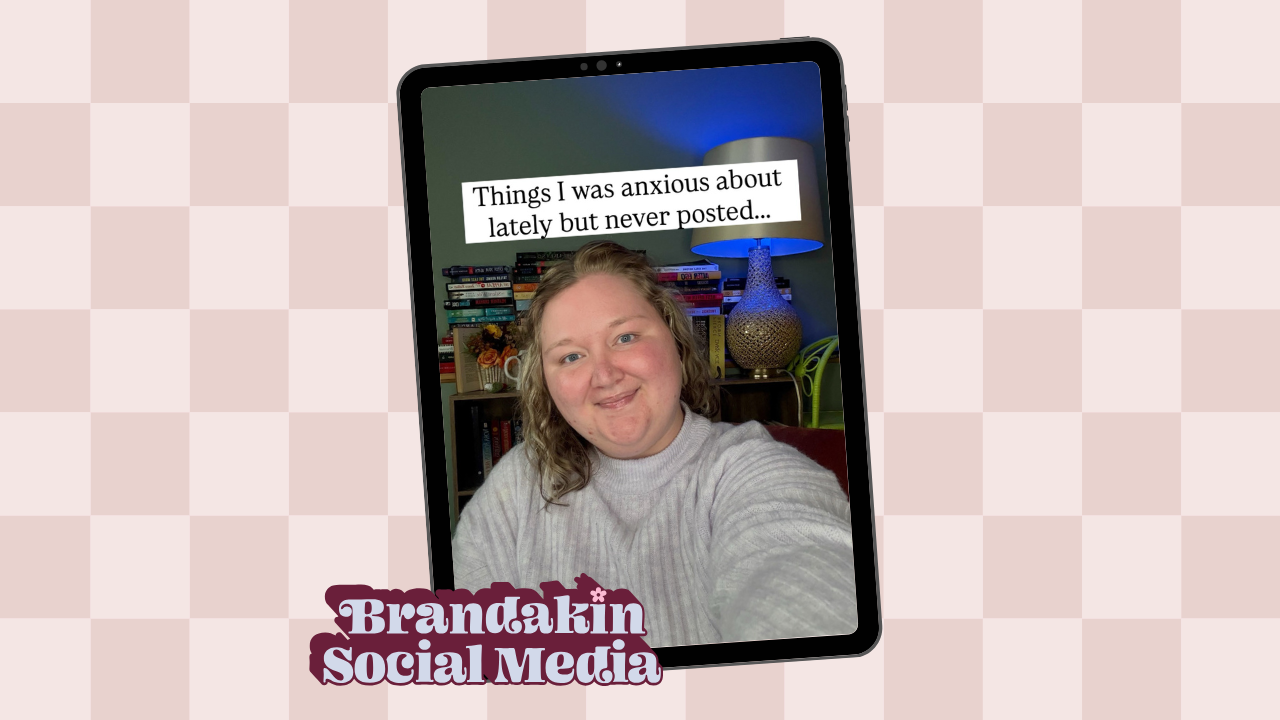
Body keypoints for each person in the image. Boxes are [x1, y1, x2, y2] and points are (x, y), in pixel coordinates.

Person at [452, 241, 857, 647]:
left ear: (676, 341)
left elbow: (803, 577)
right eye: (571, 357)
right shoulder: (518, 485)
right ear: (546, 383)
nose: (604, 375)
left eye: (625, 337)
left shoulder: (749, 471)